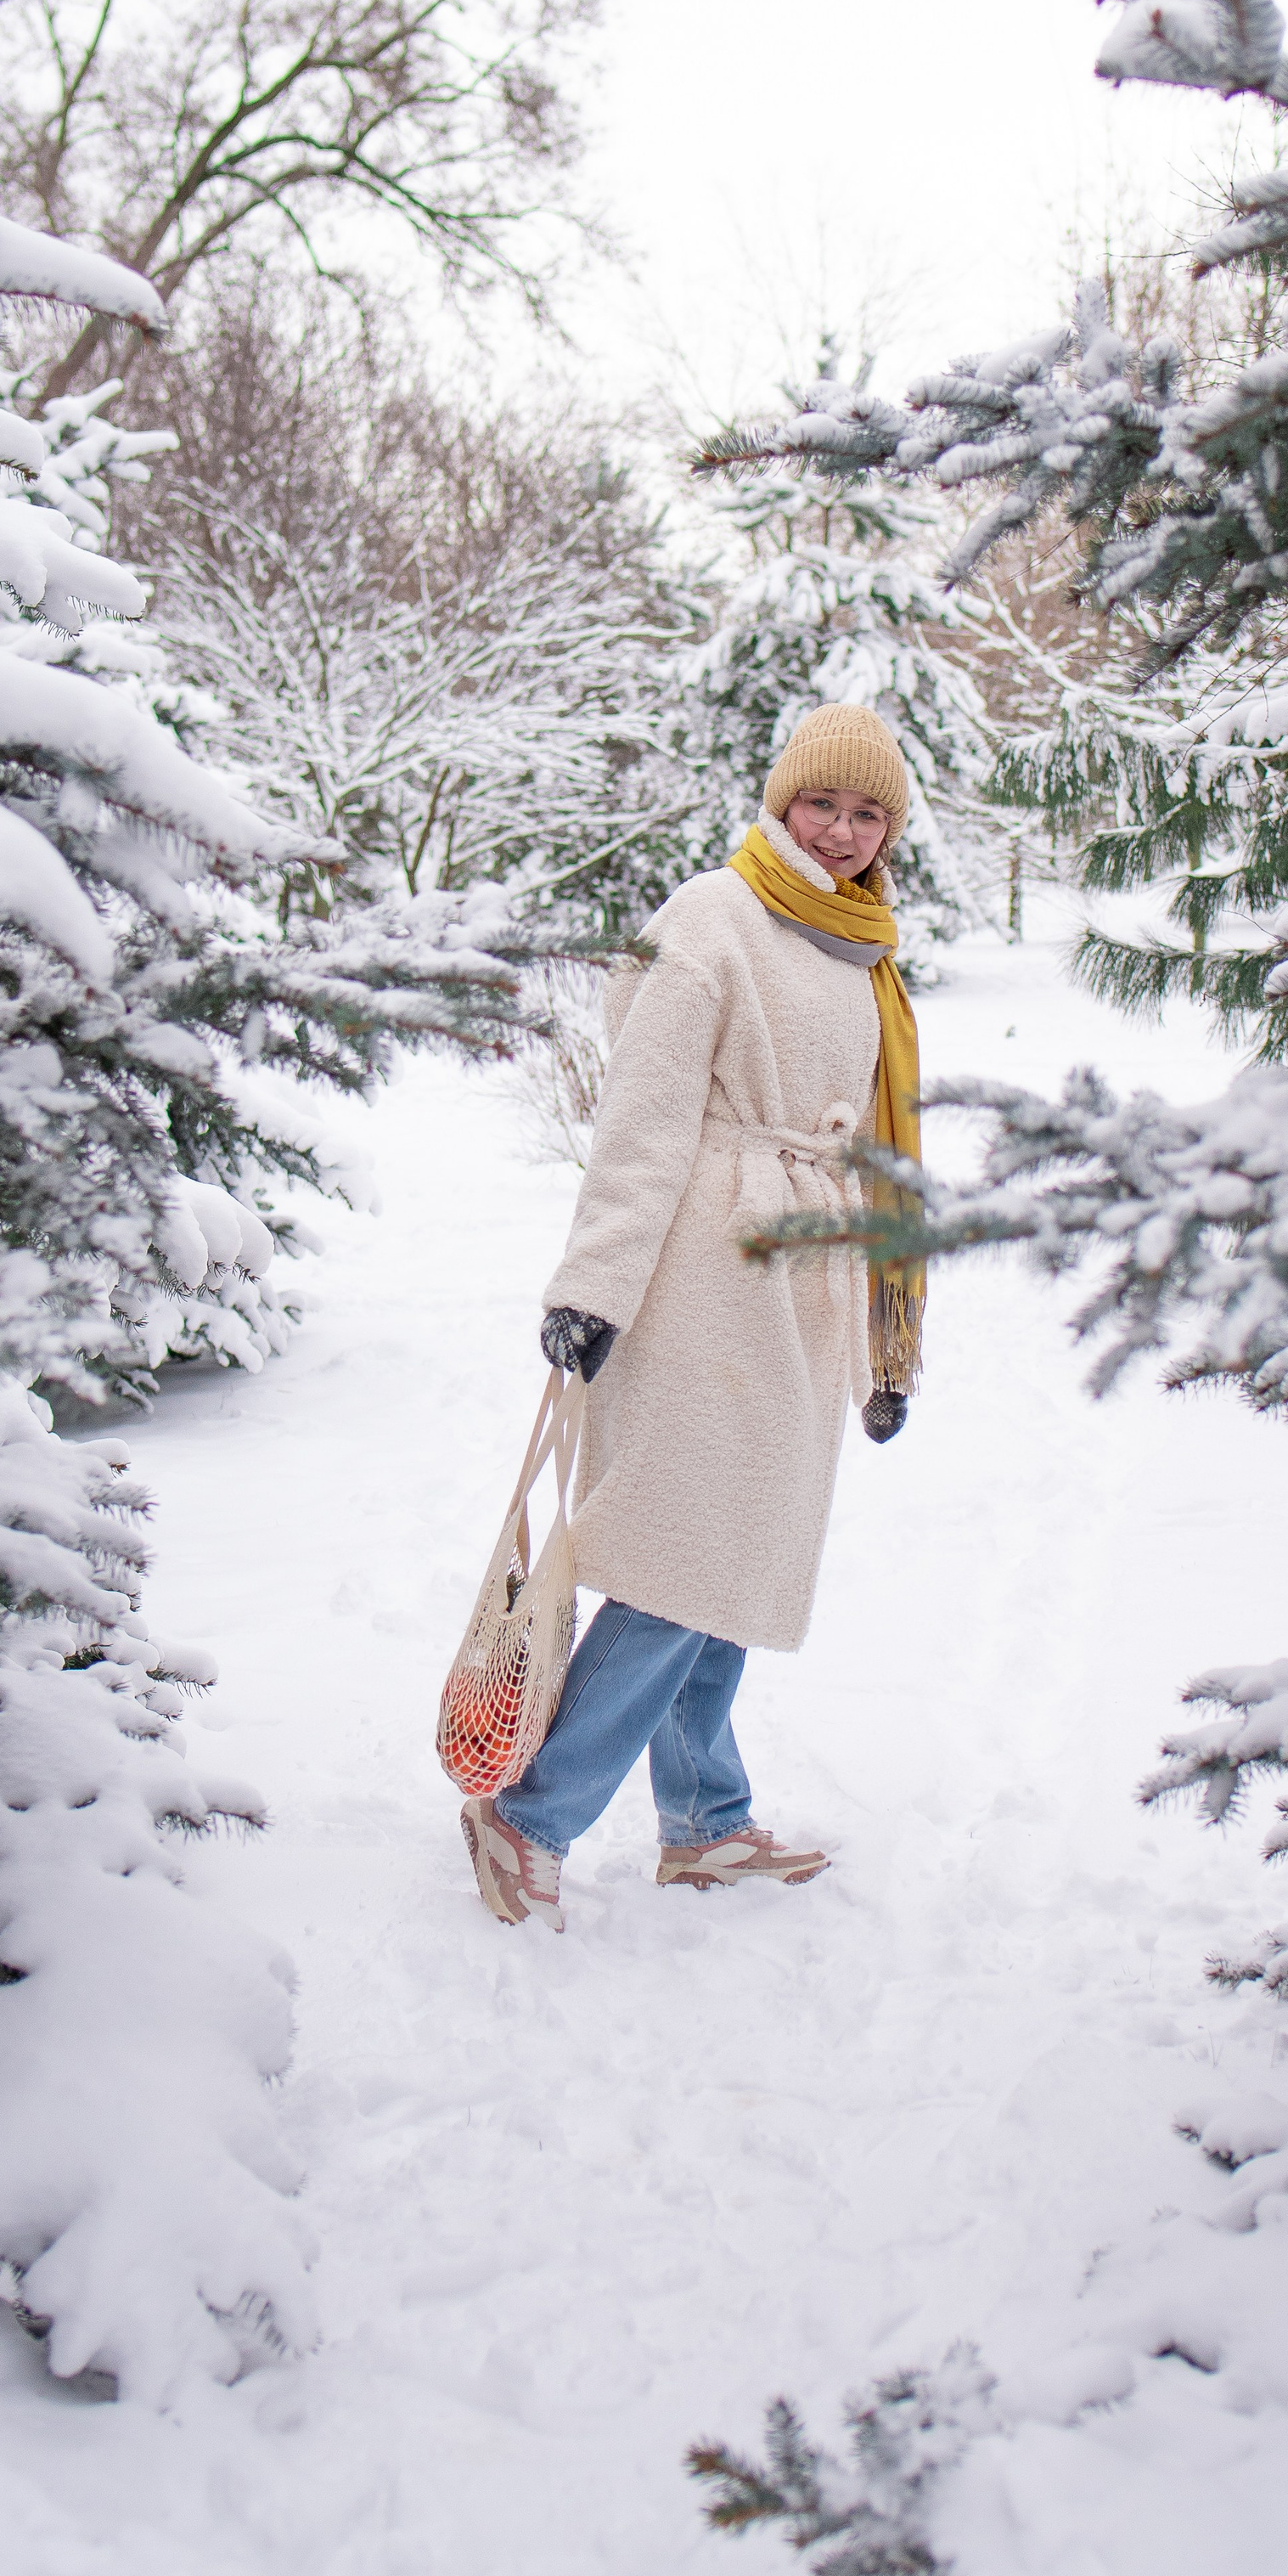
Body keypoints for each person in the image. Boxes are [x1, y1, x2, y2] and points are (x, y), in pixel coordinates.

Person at [460, 703, 927, 1931]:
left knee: (737, 1555)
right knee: (682, 1561)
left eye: (867, 814)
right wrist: (593, 1286)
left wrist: (888, 1345)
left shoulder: (867, 950)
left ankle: (707, 1823)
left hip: (809, 1283)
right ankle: (529, 1818)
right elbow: (644, 1119)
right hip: (702, 1277)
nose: (840, 832)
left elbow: (883, 1154)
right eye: (821, 804)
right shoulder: (709, 917)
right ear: (781, 802)